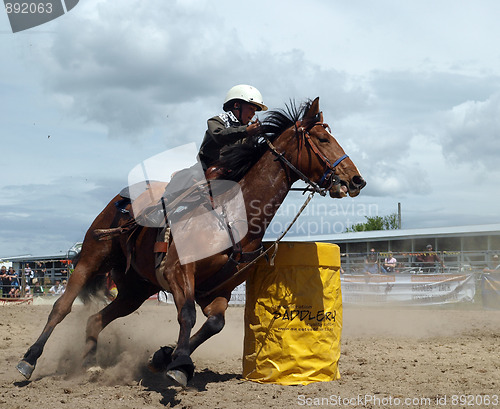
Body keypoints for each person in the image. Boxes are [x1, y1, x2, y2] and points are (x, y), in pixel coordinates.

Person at [143, 84, 267, 225]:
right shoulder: (216, 121)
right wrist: (246, 131)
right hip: (205, 167)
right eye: (251, 108)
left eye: (255, 111)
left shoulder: (249, 132)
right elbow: (219, 135)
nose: (253, 114)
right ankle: (159, 210)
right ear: (237, 105)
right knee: (185, 176)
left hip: (232, 171)